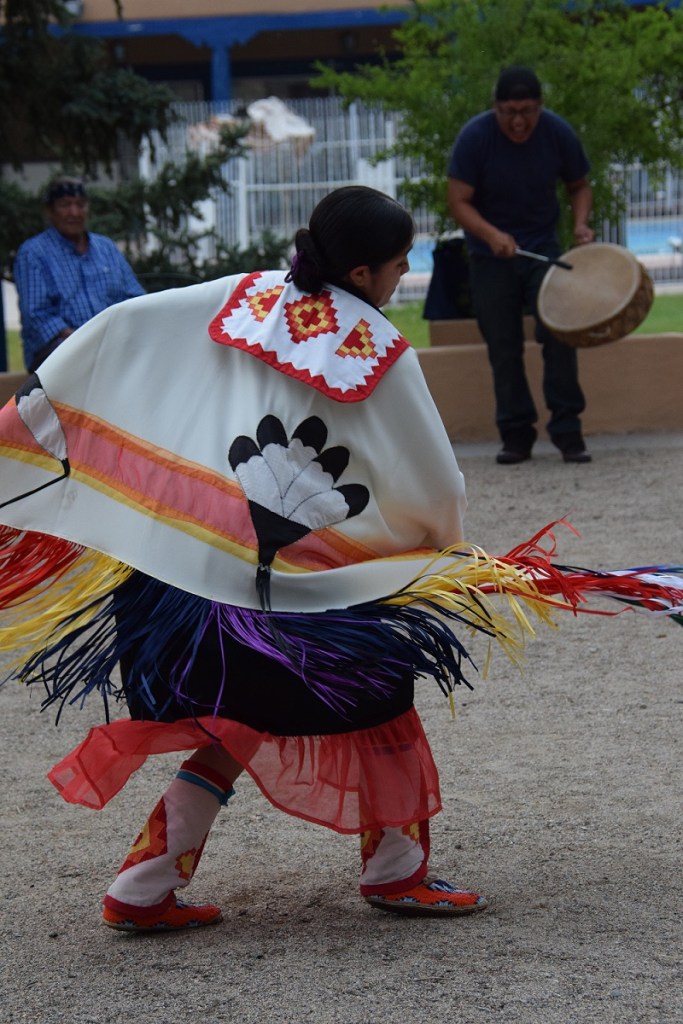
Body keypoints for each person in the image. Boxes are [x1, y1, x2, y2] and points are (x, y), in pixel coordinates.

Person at [0, 185, 680, 936]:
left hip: (204, 574)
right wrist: (433, 552)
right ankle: (395, 872)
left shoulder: (245, 296)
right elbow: (430, 478)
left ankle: (144, 883)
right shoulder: (375, 347)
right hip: (314, 585)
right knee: (381, 698)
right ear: (360, 273)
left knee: (238, 718)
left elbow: (126, 328)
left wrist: (36, 411)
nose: (400, 279)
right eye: (395, 265)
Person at [447, 66, 595, 465]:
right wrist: (492, 234)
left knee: (560, 334)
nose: (518, 121)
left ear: (539, 107)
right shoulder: (476, 138)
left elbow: (579, 185)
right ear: (495, 108)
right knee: (503, 345)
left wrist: (580, 224)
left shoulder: (557, 132)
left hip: (542, 249)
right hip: (489, 256)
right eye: (509, 111)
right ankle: (515, 435)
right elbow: (458, 199)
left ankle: (568, 433)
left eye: (527, 110)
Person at [13, 174, 145, 373]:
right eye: (65, 205)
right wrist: (87, 341)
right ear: (50, 210)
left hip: (109, 343)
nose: (74, 212)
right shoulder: (33, 253)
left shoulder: (106, 247)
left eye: (80, 204)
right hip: (59, 350)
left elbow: (135, 299)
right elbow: (38, 316)